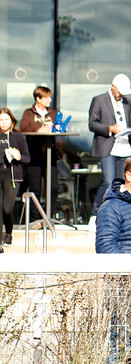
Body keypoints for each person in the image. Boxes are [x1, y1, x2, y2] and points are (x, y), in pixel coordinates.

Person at [89, 74, 131, 220]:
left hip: (125, 147)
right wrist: (110, 128)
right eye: (120, 91)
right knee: (108, 180)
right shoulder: (99, 100)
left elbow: (128, 124)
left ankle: (117, 215)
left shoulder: (127, 102)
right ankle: (95, 213)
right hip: (108, 147)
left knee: (122, 184)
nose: (122, 94)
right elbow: (92, 124)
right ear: (113, 87)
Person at [19, 86, 61, 217]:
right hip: (34, 155)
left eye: (50, 97)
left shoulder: (53, 112)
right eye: (46, 97)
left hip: (50, 154)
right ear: (38, 99)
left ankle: (50, 217)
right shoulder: (28, 113)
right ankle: (35, 219)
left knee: (53, 187)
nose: (50, 100)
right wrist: (39, 129)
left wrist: (58, 128)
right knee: (35, 188)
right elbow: (23, 127)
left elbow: (58, 125)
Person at [0, 108, 30, 251]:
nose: (3, 122)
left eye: (6, 119)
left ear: (11, 121)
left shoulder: (17, 136)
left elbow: (27, 157)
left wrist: (17, 157)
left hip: (11, 175)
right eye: (1, 120)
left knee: (6, 208)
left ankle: (9, 232)